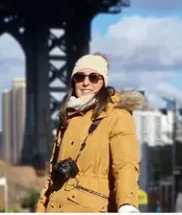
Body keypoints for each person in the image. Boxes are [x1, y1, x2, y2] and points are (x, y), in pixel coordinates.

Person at [35, 53, 146, 213]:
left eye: (94, 77)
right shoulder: (67, 118)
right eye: (80, 77)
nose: (86, 83)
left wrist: (127, 205)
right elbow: (52, 176)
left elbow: (125, 165)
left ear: (103, 82)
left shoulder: (117, 116)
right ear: (74, 81)